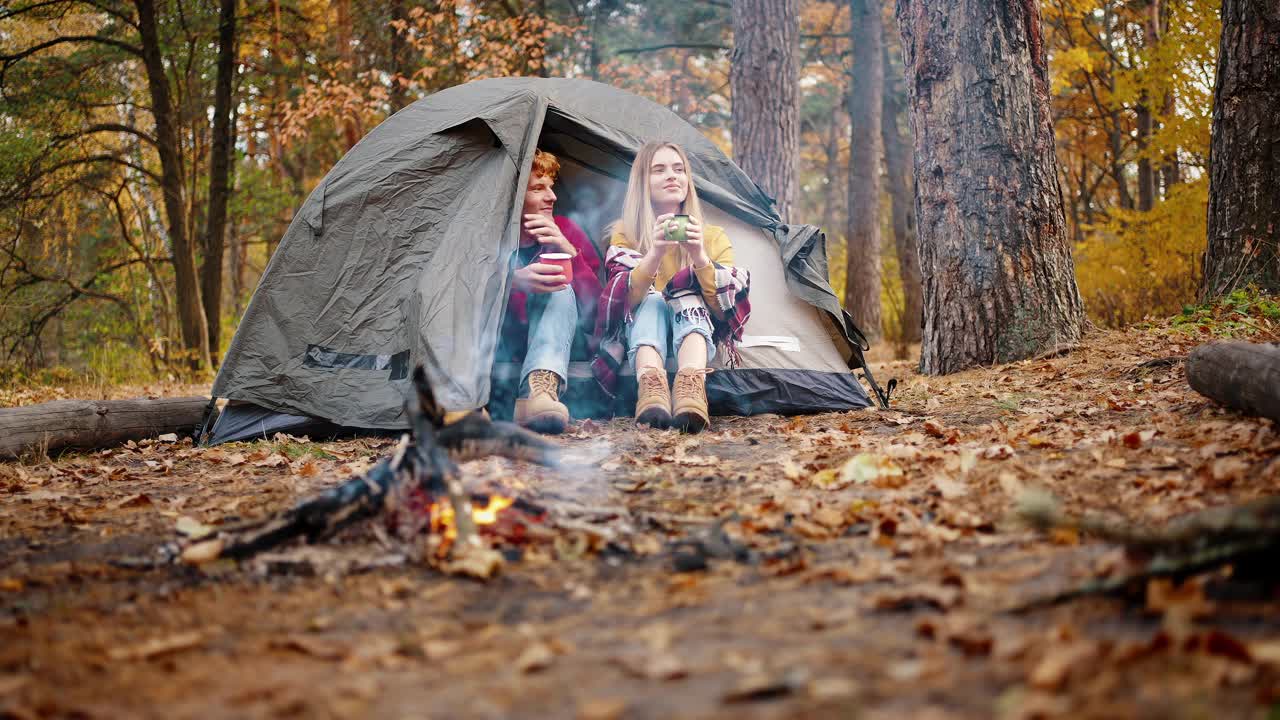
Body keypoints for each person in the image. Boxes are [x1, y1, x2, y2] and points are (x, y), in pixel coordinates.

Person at [593, 141, 751, 433]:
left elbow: (722, 311)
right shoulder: (625, 233)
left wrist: (699, 256)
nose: (672, 176)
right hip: (643, 329)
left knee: (687, 296)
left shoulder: (713, 236)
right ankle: (651, 386)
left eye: (679, 170)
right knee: (653, 301)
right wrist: (654, 253)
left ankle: (691, 385)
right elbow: (623, 301)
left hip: (694, 332)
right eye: (659, 170)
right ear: (643, 182)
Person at [502, 149, 602, 434]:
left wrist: (567, 250)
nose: (552, 197)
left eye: (551, 188)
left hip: (565, 341)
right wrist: (511, 281)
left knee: (559, 288)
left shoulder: (566, 229)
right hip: (502, 345)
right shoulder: (488, 237)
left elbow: (596, 310)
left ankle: (540, 392)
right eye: (538, 188)